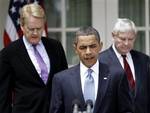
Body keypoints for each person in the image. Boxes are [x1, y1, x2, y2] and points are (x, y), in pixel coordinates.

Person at [0, 3, 68, 113]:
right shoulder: (9, 53)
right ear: (22, 26)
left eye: (39, 28)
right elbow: (3, 95)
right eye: (31, 29)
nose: (35, 33)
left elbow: (65, 82)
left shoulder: (55, 47)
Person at [49, 26, 133, 113]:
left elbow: (126, 110)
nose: (88, 52)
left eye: (92, 46)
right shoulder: (61, 79)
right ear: (75, 49)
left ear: (100, 46)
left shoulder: (116, 76)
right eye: (83, 48)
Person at [99, 18, 150, 113]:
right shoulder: (101, 61)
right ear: (113, 36)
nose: (126, 43)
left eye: (130, 39)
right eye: (122, 39)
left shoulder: (144, 60)